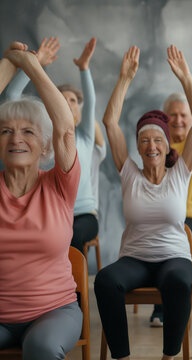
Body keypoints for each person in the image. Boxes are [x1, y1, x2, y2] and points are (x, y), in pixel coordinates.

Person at [94, 45, 192, 360]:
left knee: (181, 280)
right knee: (105, 280)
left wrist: (185, 78)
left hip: (174, 257)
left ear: (168, 145)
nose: (150, 145)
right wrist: (124, 78)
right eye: (144, 140)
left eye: (157, 139)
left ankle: (169, 357)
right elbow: (110, 123)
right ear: (138, 148)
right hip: (135, 260)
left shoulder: (180, 172)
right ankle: (123, 357)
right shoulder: (129, 173)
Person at [0, 42, 82, 359]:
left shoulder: (59, 185)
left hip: (54, 311)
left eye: (28, 132)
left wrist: (32, 65)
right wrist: (10, 62)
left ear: (45, 147)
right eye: (5, 131)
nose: (16, 138)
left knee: (41, 347)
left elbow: (65, 129)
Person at [6, 37, 100, 254]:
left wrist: (84, 69)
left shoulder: (84, 136)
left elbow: (91, 104)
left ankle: (74, 288)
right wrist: (34, 62)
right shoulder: (41, 139)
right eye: (61, 99)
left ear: (78, 110)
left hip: (83, 215)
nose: (66, 104)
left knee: (69, 235)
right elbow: (11, 99)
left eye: (73, 101)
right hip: (48, 210)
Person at [149, 45, 192, 327]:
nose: (180, 119)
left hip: (190, 219)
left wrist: (186, 78)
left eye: (185, 115)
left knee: (175, 234)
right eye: (174, 115)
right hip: (160, 217)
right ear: (165, 118)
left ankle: (165, 308)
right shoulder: (156, 146)